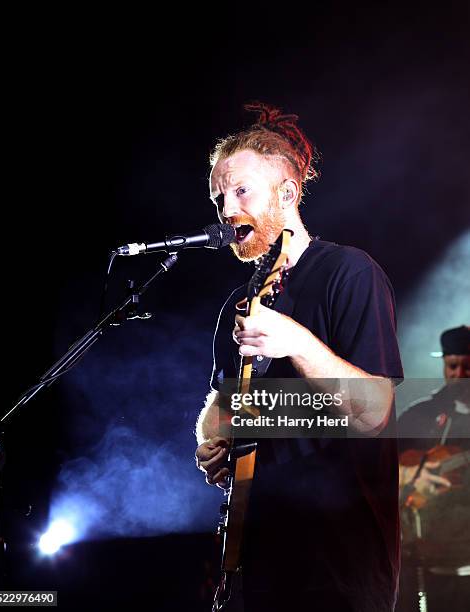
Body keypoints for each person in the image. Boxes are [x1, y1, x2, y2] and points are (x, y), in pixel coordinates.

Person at [195, 102, 403, 612]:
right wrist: (209, 436)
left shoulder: (349, 273)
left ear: (287, 193)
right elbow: (220, 403)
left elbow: (376, 410)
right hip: (258, 563)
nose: (226, 210)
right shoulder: (237, 307)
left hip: (340, 569)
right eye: (220, 197)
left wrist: (297, 342)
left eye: (241, 191)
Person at [397, 325, 470, 611]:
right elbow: (382, 471)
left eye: (468, 367)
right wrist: (411, 478)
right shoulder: (419, 415)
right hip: (425, 561)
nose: (460, 375)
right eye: (453, 366)